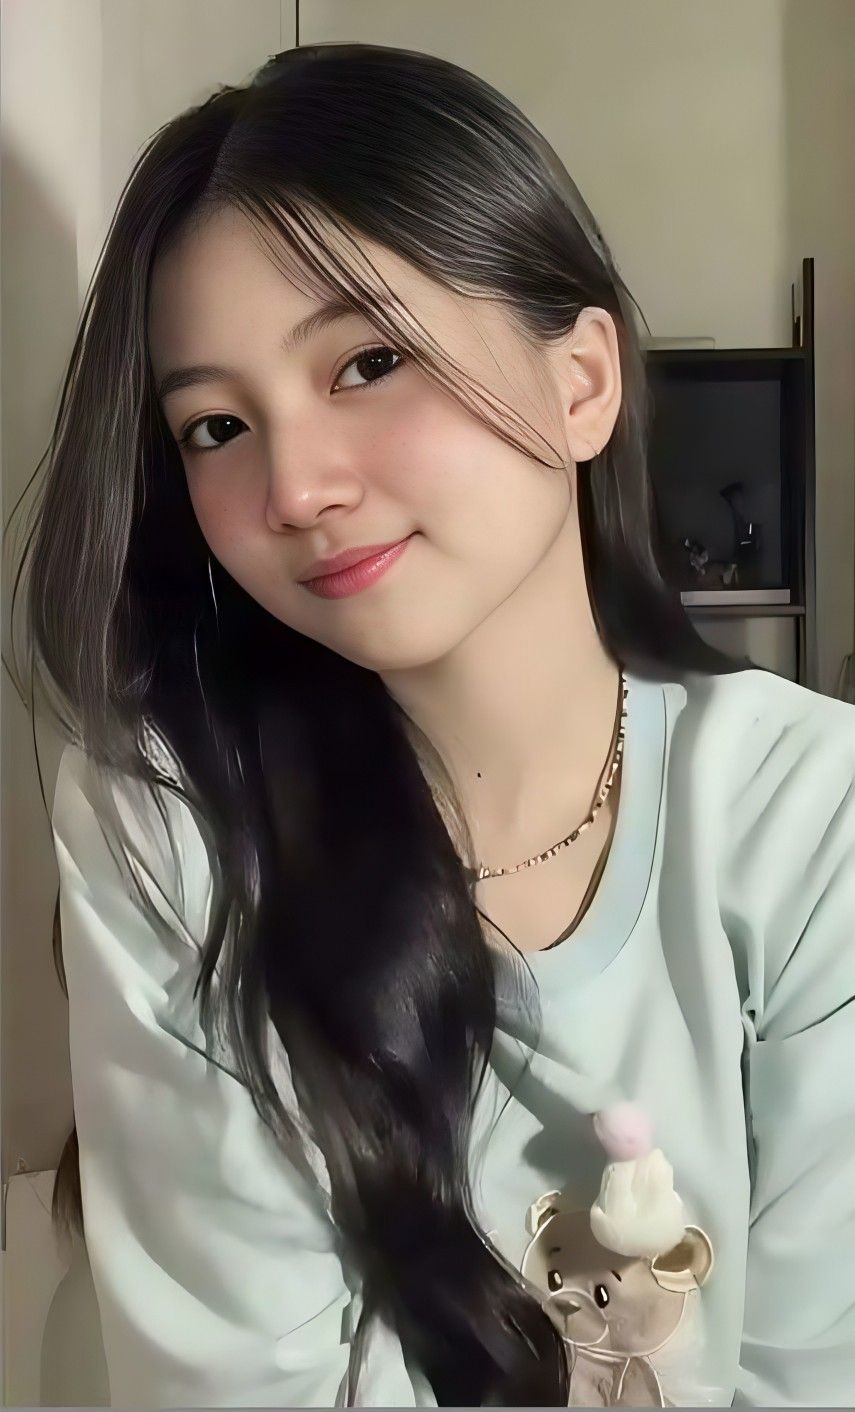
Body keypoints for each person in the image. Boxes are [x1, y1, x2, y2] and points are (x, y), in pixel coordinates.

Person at [9, 41, 854, 1409]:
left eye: (368, 361)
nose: (295, 487)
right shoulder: (169, 819)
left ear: (582, 383)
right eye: (215, 427)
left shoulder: (812, 817)